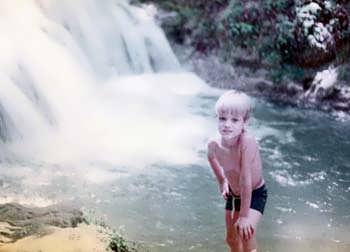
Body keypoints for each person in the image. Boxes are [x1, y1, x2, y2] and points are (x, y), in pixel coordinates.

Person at [207, 90, 267, 252]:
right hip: (234, 194)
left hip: (254, 192)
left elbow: (245, 179)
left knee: (245, 232)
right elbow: (211, 158)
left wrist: (244, 216)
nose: (227, 124)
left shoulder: (247, 143)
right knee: (232, 240)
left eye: (234, 120)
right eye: (222, 118)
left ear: (245, 123)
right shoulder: (213, 144)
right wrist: (222, 181)